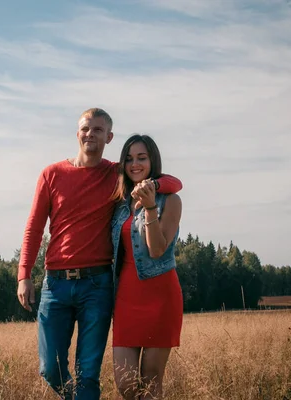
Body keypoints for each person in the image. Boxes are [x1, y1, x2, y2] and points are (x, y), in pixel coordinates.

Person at [17, 108, 183, 399]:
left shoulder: (114, 175)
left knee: (89, 373)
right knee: (49, 368)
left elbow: (172, 183)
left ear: (109, 136)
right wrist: (24, 274)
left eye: (97, 129)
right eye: (85, 128)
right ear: (77, 132)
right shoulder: (52, 174)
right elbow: (33, 227)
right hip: (55, 284)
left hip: (98, 285)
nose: (89, 134)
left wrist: (153, 186)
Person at [110, 134, 183, 400]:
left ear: (153, 160)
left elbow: (156, 249)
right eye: (129, 159)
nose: (135, 164)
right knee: (126, 384)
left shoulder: (171, 201)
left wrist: (151, 206)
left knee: (151, 384)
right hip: (126, 296)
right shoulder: (119, 203)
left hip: (160, 294)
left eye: (142, 158)